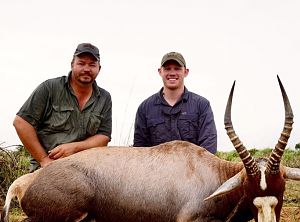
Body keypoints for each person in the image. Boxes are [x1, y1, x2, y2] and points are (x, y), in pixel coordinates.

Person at [13, 43, 112, 172]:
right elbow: (21, 123)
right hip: (47, 168)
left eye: (92, 64)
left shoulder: (104, 97)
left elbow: (103, 137)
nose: (87, 69)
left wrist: (74, 147)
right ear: (72, 64)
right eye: (81, 63)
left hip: (85, 170)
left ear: (99, 68)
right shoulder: (49, 88)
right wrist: (43, 160)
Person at [133, 52, 217, 153]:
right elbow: (139, 150)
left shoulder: (202, 105)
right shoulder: (145, 108)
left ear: (186, 72)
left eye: (177, 68)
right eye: (167, 69)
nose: (172, 73)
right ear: (160, 72)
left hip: (192, 168)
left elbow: (209, 145)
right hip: (156, 168)